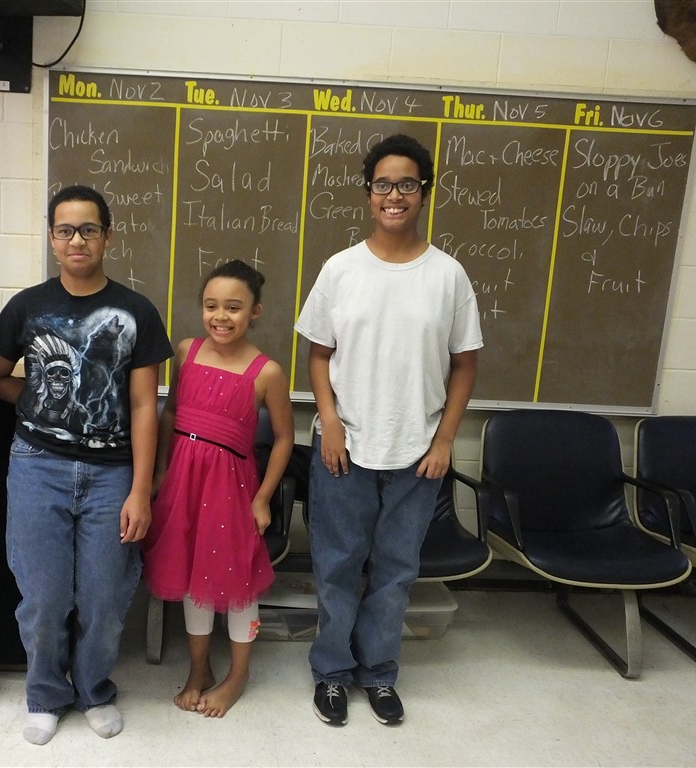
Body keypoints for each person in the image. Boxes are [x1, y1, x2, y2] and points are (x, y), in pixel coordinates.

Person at [294, 134, 483, 727]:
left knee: (396, 573)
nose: (393, 195)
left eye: (406, 184)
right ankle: (331, 671)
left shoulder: (448, 275)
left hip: (416, 453)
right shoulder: (341, 268)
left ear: (424, 192)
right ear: (368, 193)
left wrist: (445, 440)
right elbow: (318, 354)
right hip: (344, 448)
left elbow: (465, 364)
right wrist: (329, 422)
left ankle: (378, 672)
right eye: (382, 184)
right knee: (337, 568)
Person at [0, 185, 173, 746]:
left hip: (112, 474)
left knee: (105, 598)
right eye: (65, 230)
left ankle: (93, 689)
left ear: (107, 236)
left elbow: (145, 406)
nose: (77, 240)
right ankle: (46, 694)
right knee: (44, 598)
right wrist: (39, 399)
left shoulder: (137, 311)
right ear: (51, 238)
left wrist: (141, 489)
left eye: (89, 229)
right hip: (37, 465)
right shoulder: (26, 306)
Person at [144, 259, 294, 718]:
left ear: (255, 312)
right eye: (211, 306)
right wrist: (161, 472)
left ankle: (238, 675)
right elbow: (170, 413)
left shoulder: (267, 372)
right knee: (194, 578)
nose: (220, 316)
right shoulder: (186, 351)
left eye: (233, 307)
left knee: (235, 581)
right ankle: (199, 668)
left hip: (231, 488)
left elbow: (285, 438)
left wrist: (263, 498)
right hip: (183, 483)